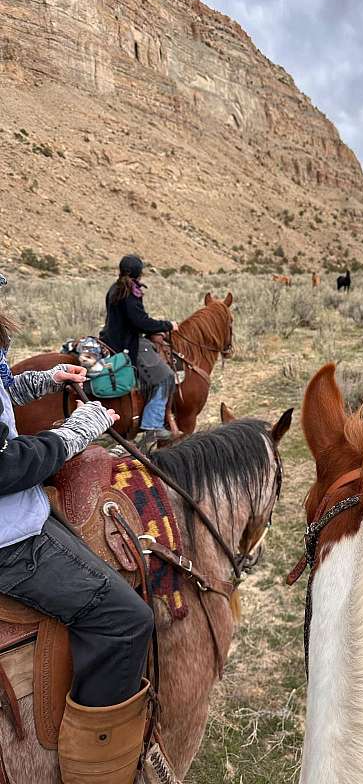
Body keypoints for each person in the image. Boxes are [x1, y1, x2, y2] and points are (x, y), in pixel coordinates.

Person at [0, 271, 154, 783]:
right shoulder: (128, 297)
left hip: (24, 515)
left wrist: (44, 381)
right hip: (9, 541)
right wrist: (72, 433)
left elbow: (2, 389)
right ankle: (97, 770)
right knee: (128, 620)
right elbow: (3, 466)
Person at [100, 254, 178, 443]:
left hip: (113, 338)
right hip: (126, 344)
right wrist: (167, 325)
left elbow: (133, 320)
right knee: (166, 377)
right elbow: (140, 321)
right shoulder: (129, 292)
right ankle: (153, 426)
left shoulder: (116, 287)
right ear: (138, 272)